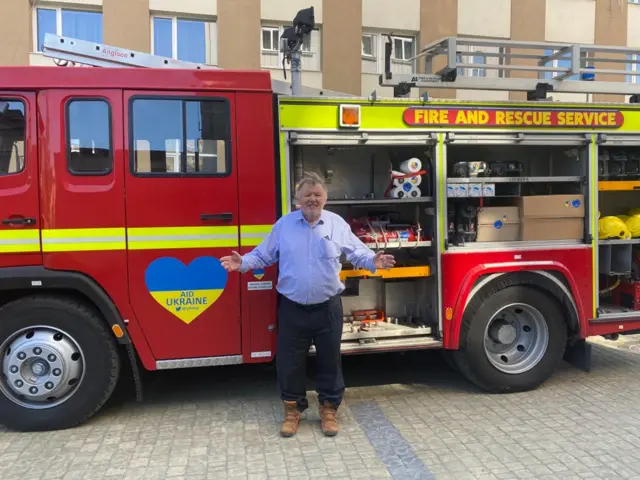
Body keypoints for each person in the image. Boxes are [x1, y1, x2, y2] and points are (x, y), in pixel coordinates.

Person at [220, 172, 395, 437]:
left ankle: (329, 410)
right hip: (293, 308)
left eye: (317, 195)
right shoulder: (284, 225)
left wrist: (373, 261)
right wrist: (242, 263)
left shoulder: (336, 224)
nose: (312, 199)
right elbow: (264, 254)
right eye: (307, 195)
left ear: (325, 198)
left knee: (330, 362)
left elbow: (357, 252)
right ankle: (292, 411)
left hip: (327, 307)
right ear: (297, 200)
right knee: (289, 363)